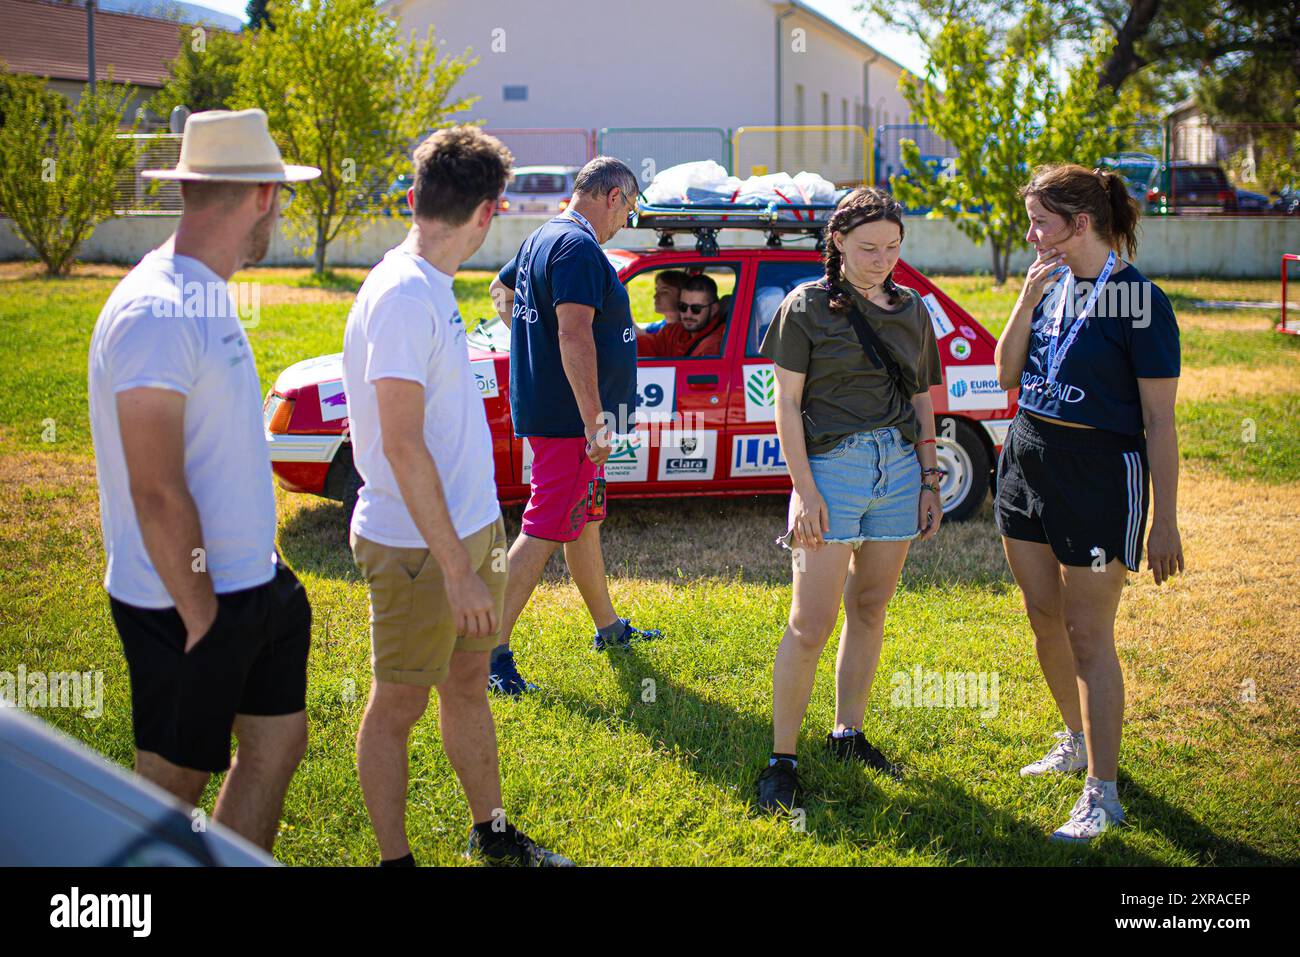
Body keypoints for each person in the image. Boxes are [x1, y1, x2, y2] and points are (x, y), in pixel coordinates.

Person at [87, 109, 318, 852]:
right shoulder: (156, 308)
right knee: (168, 793)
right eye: (278, 195)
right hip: (181, 602)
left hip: (254, 587)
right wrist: (202, 616)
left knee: (278, 740)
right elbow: (155, 489)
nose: (279, 211)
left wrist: (261, 571)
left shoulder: (206, 288)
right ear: (260, 196)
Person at [344, 126, 571, 866]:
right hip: (420, 548)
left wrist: (474, 548)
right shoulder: (406, 294)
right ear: (488, 214)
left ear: (416, 199)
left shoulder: (429, 284)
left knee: (467, 682)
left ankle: (492, 832)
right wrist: (456, 567)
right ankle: (395, 859)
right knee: (399, 704)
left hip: (465, 535)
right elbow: (402, 445)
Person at [994, 163, 1183, 842]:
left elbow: (1160, 422)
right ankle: (1074, 738)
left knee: (1087, 634)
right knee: (1043, 615)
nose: (1030, 232)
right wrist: (1023, 301)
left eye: (1040, 220)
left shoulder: (1140, 300)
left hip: (1101, 474)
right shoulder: (1046, 284)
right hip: (1026, 459)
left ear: (1079, 224)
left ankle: (1102, 792)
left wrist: (1166, 518)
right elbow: (1005, 372)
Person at [755, 187, 944, 814]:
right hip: (831, 469)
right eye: (868, 248)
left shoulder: (912, 309)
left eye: (892, 248)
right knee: (810, 622)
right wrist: (803, 490)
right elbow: (784, 404)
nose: (882, 260)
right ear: (836, 241)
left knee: (870, 606)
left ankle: (848, 732)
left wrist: (928, 479)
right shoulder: (804, 306)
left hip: (896, 467)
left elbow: (921, 399)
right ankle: (782, 761)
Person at [486, 156, 662, 695]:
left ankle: (608, 629)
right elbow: (573, 335)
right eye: (629, 211)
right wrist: (593, 422)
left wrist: (527, 345)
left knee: (583, 522)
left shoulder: (545, 235)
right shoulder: (581, 247)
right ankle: (487, 653)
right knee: (542, 529)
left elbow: (502, 290)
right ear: (613, 196)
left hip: (563, 417)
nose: (624, 223)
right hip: (572, 425)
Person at [637, 273, 727, 357]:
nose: (688, 314)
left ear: (714, 309)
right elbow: (644, 345)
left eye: (696, 309)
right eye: (683, 307)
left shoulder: (715, 346)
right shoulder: (674, 331)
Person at [642, 269, 687, 333]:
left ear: (682, 296)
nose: (655, 296)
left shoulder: (684, 332)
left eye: (664, 292)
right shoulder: (662, 325)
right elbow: (637, 333)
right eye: (656, 290)